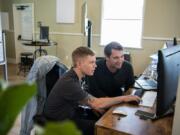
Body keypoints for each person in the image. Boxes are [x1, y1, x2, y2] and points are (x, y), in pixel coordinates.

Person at [43, 46, 140, 135]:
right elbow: (96, 103)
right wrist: (124, 98)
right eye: (91, 62)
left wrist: (93, 105)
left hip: (70, 113)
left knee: (105, 117)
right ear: (79, 64)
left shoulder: (75, 76)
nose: (95, 65)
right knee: (105, 128)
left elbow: (82, 99)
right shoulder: (69, 82)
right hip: (57, 122)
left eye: (95, 62)